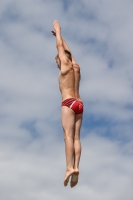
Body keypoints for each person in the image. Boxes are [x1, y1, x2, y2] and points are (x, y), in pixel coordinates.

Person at [51, 20, 84, 188]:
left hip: (68, 102)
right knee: (77, 137)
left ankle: (69, 168)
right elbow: (69, 51)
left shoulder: (64, 65)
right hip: (79, 104)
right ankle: (76, 167)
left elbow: (60, 49)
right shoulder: (76, 67)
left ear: (62, 59)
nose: (57, 63)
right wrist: (62, 37)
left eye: (58, 61)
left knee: (67, 136)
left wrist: (58, 32)